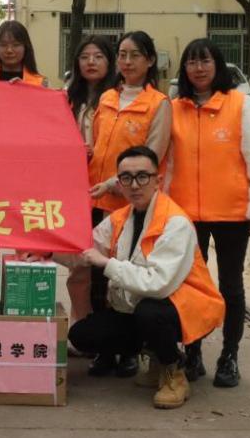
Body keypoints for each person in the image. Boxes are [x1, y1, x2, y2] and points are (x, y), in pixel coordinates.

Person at [70, 146, 225, 410]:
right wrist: (47, 251)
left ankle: (174, 371)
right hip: (139, 305)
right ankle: (155, 355)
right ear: (119, 183)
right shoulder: (121, 218)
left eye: (143, 176)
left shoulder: (175, 223)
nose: (134, 185)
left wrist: (107, 264)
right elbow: (84, 249)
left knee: (151, 313)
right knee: (83, 334)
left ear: (158, 180)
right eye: (126, 178)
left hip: (185, 307)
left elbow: (158, 284)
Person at [165, 39, 250, 387]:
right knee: (190, 286)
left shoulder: (241, 105)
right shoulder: (174, 107)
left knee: (231, 286)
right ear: (184, 69)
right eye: (192, 62)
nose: (198, 68)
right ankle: (193, 353)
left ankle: (230, 356)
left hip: (232, 214)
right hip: (185, 214)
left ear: (218, 65)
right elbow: (167, 164)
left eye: (205, 61)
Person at [85, 30, 171, 377]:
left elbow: (153, 156)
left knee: (129, 277)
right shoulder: (106, 98)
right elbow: (95, 146)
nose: (127, 61)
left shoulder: (158, 104)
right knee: (98, 277)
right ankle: (106, 350)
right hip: (97, 202)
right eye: (122, 54)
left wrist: (115, 183)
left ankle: (131, 351)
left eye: (135, 55)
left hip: (132, 204)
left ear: (149, 61)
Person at [63, 35, 119, 332]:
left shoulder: (117, 98)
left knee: (107, 261)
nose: (91, 62)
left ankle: (108, 330)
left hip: (110, 191)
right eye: (85, 57)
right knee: (79, 264)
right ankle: (81, 330)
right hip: (75, 190)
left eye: (98, 57)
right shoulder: (67, 98)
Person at [0, 20, 48, 86]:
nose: (9, 50)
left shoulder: (41, 84)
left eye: (16, 45)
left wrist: (25, 89)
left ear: (26, 47)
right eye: (3, 45)